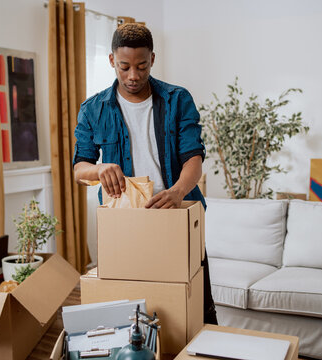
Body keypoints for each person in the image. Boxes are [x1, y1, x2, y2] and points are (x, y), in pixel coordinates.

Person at [73, 23, 217, 324]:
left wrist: (177, 192)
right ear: (112, 61)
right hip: (126, 222)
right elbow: (79, 168)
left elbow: (193, 158)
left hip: (177, 215)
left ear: (153, 59)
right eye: (124, 67)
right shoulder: (93, 109)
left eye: (141, 66)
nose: (133, 75)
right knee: (131, 311)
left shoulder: (178, 100)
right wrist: (99, 169)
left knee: (195, 309)